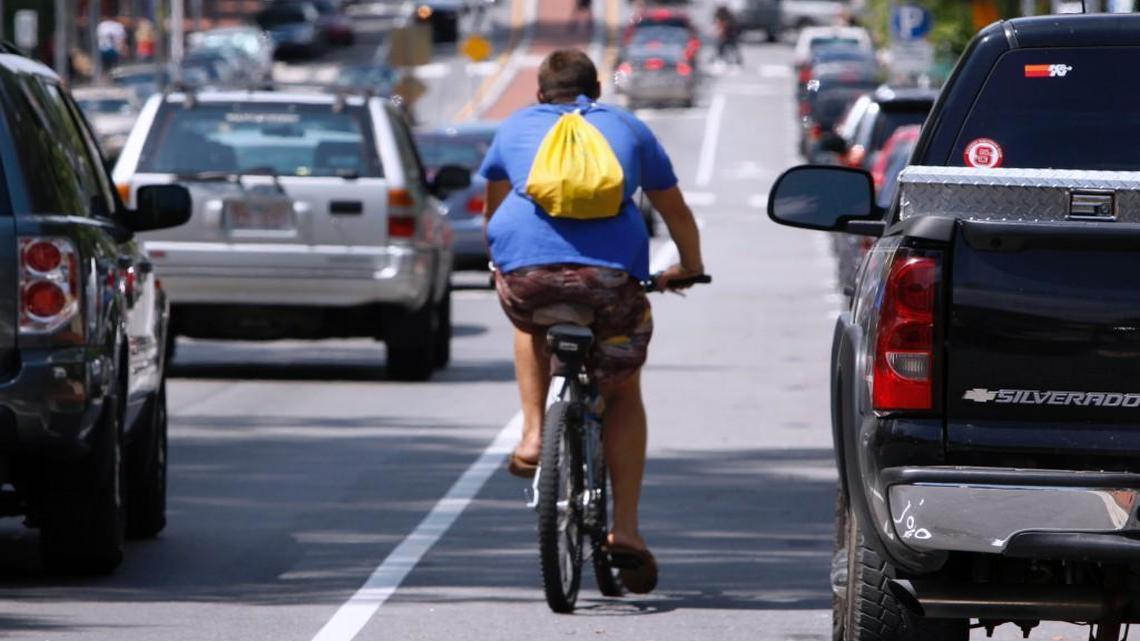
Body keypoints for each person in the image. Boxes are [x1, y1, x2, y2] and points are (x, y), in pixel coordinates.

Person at [478, 49, 704, 595]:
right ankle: (624, 529)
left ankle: (532, 435)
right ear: (597, 89)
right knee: (623, 390)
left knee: (530, 324)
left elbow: (493, 209)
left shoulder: (514, 128)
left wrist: (504, 263)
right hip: (609, 281)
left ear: (539, 93)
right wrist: (690, 269)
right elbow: (674, 212)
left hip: (527, 276)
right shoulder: (627, 126)